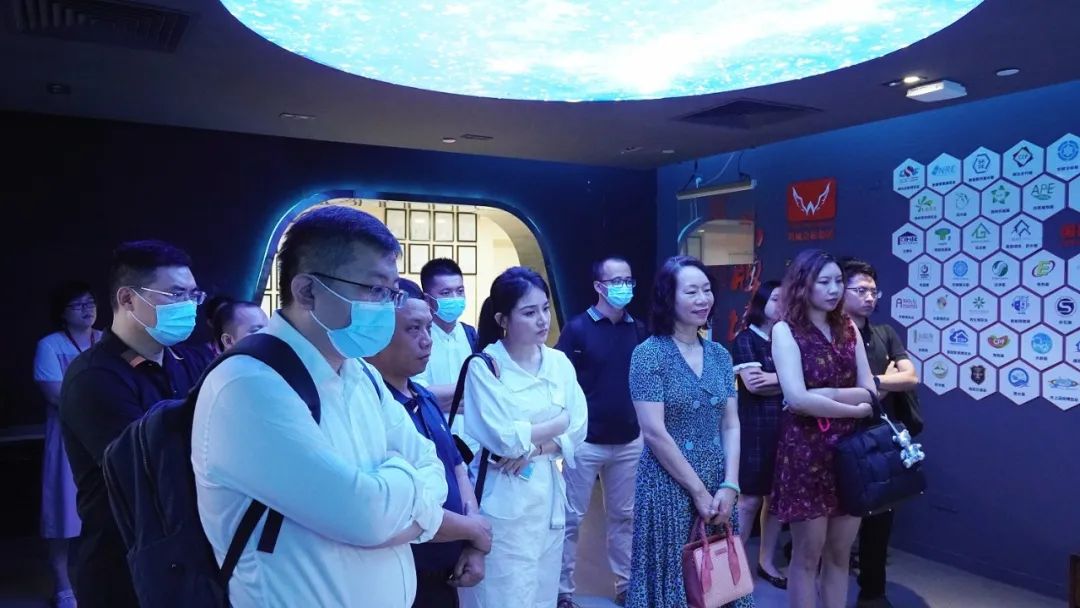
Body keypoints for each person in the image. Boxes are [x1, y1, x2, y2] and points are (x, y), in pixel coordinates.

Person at [192, 206, 448, 607]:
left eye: (392, 292)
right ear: (307, 291)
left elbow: (433, 467)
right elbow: (365, 516)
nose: (387, 305)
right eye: (375, 290)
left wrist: (392, 503)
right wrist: (408, 491)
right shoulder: (249, 385)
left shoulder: (360, 374)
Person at [59, 240, 212, 608]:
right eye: (176, 294)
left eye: (193, 295)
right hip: (123, 564)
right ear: (127, 299)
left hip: (187, 558)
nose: (189, 306)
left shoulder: (190, 361)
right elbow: (147, 470)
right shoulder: (95, 377)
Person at [626, 255, 754, 608]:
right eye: (691, 291)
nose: (703, 299)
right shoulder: (648, 355)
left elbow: (731, 423)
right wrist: (698, 491)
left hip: (718, 482)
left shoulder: (719, 355)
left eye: (707, 290)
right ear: (668, 298)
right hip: (667, 485)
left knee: (718, 576)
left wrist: (730, 484)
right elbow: (654, 432)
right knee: (673, 579)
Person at [458, 267, 588, 608]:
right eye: (529, 313)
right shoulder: (485, 366)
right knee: (503, 593)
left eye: (545, 308)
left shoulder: (559, 362)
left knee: (542, 592)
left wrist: (536, 447)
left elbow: (580, 425)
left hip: (546, 494)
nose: (542, 320)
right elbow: (504, 439)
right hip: (503, 494)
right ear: (503, 319)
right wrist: (558, 421)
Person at [366, 278, 492, 608]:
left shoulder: (424, 396)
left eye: (428, 328)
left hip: (445, 573)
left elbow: (457, 468)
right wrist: (474, 532)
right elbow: (402, 509)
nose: (427, 340)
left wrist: (473, 541)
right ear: (377, 334)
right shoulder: (369, 407)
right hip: (398, 574)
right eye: (413, 329)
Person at [770, 249, 876, 608]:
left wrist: (827, 395)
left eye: (838, 282)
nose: (834, 290)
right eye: (824, 282)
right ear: (804, 285)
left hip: (850, 454)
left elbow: (870, 390)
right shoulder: (786, 330)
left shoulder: (848, 327)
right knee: (806, 556)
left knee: (840, 554)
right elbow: (797, 399)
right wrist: (853, 409)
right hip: (805, 453)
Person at [555, 256, 646, 608]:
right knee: (570, 519)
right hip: (584, 441)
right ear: (598, 286)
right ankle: (562, 592)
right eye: (615, 281)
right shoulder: (577, 329)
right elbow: (561, 384)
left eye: (628, 280)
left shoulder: (638, 329)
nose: (624, 287)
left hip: (629, 440)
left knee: (626, 518)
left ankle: (626, 585)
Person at [839, 258, 921, 608]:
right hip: (841, 435)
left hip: (881, 436)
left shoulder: (885, 332)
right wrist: (883, 384)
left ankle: (873, 592)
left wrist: (873, 383)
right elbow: (839, 389)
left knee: (881, 516)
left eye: (873, 291)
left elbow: (911, 376)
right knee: (839, 519)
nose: (869, 297)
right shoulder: (832, 337)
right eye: (860, 290)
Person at [33, 281, 102, 608]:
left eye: (90, 303)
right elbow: (55, 394)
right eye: (78, 305)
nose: (87, 310)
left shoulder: (107, 340)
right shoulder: (50, 345)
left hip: (106, 437)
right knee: (63, 513)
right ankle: (62, 586)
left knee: (106, 513)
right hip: (67, 439)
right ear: (62, 313)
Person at [730, 280, 788, 589]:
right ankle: (733, 569)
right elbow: (754, 385)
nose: (782, 304)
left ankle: (766, 562)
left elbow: (808, 382)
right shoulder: (745, 339)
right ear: (761, 302)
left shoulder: (788, 339)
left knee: (776, 500)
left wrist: (776, 379)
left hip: (787, 428)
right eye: (776, 298)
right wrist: (792, 379)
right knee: (749, 500)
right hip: (754, 429)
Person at [416, 258, 482, 457]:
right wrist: (471, 390)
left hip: (475, 446)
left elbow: (489, 392)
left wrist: (439, 398)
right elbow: (416, 393)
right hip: (433, 444)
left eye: (460, 291)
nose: (455, 298)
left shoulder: (472, 335)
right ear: (428, 300)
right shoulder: (419, 338)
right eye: (446, 293)